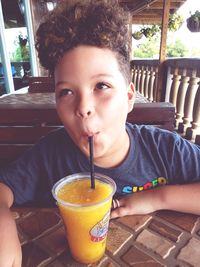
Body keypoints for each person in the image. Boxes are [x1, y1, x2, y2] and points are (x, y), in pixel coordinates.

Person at [0, 0, 199, 266]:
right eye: (67, 92)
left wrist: (157, 198)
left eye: (101, 85)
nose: (83, 108)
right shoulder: (50, 154)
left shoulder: (165, 150)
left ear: (129, 97)